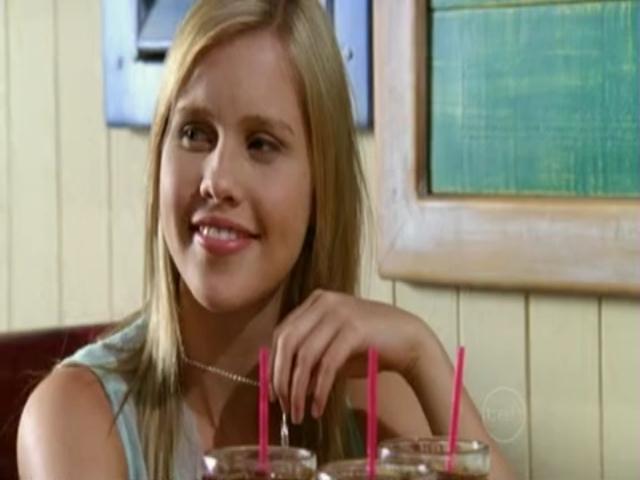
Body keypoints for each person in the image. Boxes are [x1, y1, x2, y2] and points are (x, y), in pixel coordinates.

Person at [17, 0, 516, 479]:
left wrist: (420, 351)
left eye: (261, 144)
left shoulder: (374, 395)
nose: (218, 180)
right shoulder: (75, 415)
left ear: (322, 188)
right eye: (194, 133)